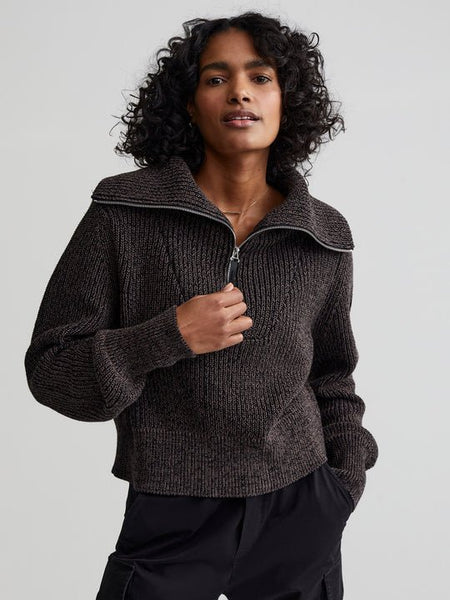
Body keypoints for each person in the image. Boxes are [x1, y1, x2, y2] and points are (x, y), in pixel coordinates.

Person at [24, 11, 379, 600]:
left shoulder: (323, 235)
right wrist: (166, 336)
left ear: (286, 101)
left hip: (299, 505)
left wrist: (343, 482)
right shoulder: (124, 213)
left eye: (260, 77)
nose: (240, 92)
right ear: (189, 104)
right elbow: (52, 368)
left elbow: (332, 377)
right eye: (217, 78)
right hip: (172, 511)